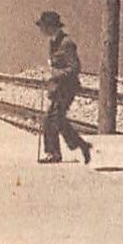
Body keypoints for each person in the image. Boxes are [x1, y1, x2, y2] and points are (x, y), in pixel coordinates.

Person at [35, 10, 92, 165]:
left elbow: (74, 68)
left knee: (50, 119)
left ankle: (54, 153)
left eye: (42, 26)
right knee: (57, 120)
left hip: (68, 88)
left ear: (50, 27)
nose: (41, 30)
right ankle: (82, 145)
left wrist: (53, 75)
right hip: (58, 88)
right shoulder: (53, 42)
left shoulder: (67, 43)